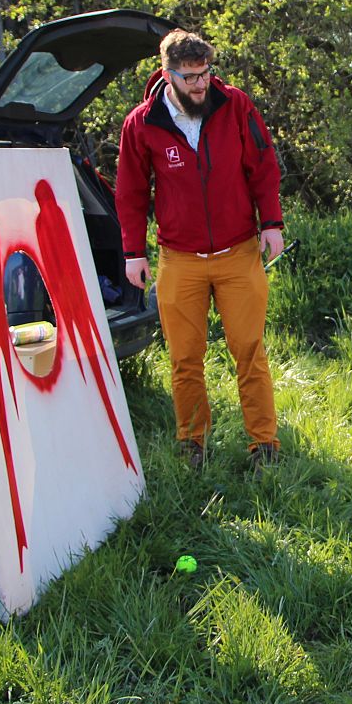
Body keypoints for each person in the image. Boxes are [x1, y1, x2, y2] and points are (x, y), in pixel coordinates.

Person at [115, 29, 285, 471]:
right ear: (167, 75)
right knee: (185, 358)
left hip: (238, 252)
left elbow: (263, 165)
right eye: (189, 77)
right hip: (179, 259)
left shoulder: (236, 105)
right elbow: (131, 192)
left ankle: (264, 445)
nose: (200, 84)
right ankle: (193, 444)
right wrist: (133, 251)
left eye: (205, 73)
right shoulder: (142, 123)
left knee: (249, 350)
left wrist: (271, 223)